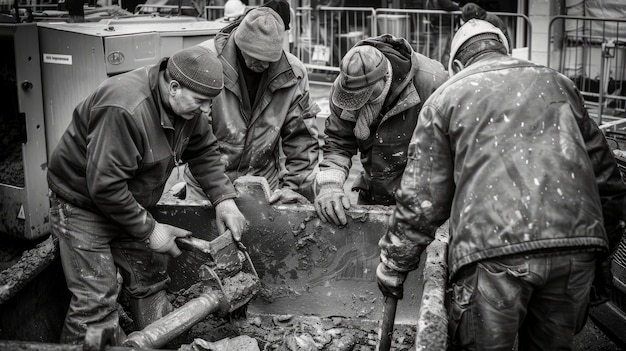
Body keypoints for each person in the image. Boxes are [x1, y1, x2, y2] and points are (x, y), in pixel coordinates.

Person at [376, 19, 626, 350]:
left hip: (492, 255)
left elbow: (422, 200)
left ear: (456, 65)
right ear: (505, 52)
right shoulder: (560, 84)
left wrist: (394, 264)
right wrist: (598, 255)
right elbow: (608, 182)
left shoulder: (445, 98)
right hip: (575, 250)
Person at [47, 45, 248, 345]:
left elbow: (204, 150)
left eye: (210, 104)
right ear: (175, 87)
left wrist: (224, 199)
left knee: (151, 277)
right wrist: (151, 230)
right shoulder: (125, 108)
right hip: (82, 207)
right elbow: (105, 186)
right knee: (96, 303)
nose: (206, 111)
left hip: (128, 202)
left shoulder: (186, 106)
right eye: (202, 103)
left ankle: (158, 339)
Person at [184, 6, 321, 204]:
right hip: (206, 186)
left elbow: (302, 141)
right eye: (258, 59)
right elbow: (193, 136)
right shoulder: (206, 60)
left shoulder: (292, 73)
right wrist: (219, 194)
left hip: (263, 187)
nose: (264, 66)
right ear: (241, 46)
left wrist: (294, 188)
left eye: (270, 61)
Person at [314, 34, 448, 226]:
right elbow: (338, 141)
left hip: (421, 199)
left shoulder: (431, 83)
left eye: (365, 97)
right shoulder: (346, 87)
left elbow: (445, 154)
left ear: (384, 78)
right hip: (374, 190)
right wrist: (330, 185)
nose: (358, 104)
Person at [425, 0, 460, 65]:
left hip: (441, 26)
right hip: (442, 26)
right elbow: (448, 6)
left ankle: (441, 68)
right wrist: (457, 6)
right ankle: (435, 68)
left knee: (444, 50)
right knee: (440, 50)